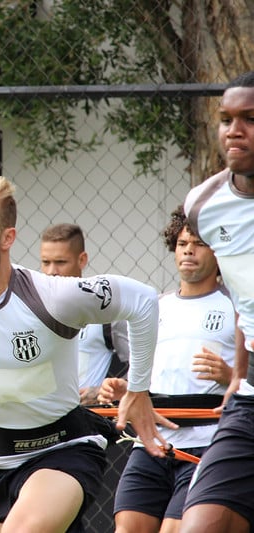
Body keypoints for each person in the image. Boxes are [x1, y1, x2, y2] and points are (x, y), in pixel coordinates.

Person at [0, 175, 169, 532]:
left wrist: (138, 388)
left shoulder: (52, 296)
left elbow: (143, 300)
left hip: (63, 451)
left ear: (7, 238)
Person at [97, 206, 234, 533]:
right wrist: (123, 387)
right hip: (152, 441)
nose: (188, 249)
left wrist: (231, 376)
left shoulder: (237, 306)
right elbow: (143, 373)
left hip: (207, 442)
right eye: (183, 242)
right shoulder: (153, 307)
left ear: (218, 252)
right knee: (128, 528)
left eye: (199, 243)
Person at [180, 71, 254, 533]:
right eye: (226, 119)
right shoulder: (203, 205)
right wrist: (241, 373)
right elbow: (244, 300)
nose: (234, 130)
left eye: (250, 118)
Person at [39, 223, 130, 404]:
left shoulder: (104, 311)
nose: (51, 272)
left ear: (82, 260)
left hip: (85, 421)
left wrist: (101, 392)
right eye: (45, 262)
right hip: (38, 418)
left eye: (60, 262)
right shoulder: (31, 309)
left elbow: (143, 366)